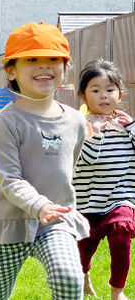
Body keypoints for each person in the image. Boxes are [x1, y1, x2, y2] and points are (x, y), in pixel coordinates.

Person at [0, 22, 90, 300]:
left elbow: (71, 169)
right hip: (8, 223)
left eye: (52, 59)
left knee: (70, 279)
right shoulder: (7, 120)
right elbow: (10, 179)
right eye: (32, 59)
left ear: (65, 67)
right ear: (11, 70)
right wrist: (40, 205)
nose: (44, 66)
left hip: (56, 221)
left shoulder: (75, 120)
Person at [72, 59, 135, 300]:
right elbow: (85, 159)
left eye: (109, 90)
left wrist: (130, 126)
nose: (103, 96)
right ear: (84, 96)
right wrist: (94, 132)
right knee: (83, 249)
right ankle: (84, 274)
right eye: (95, 90)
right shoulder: (81, 126)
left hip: (121, 197)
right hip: (87, 202)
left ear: (120, 93)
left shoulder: (126, 126)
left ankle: (117, 291)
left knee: (121, 237)